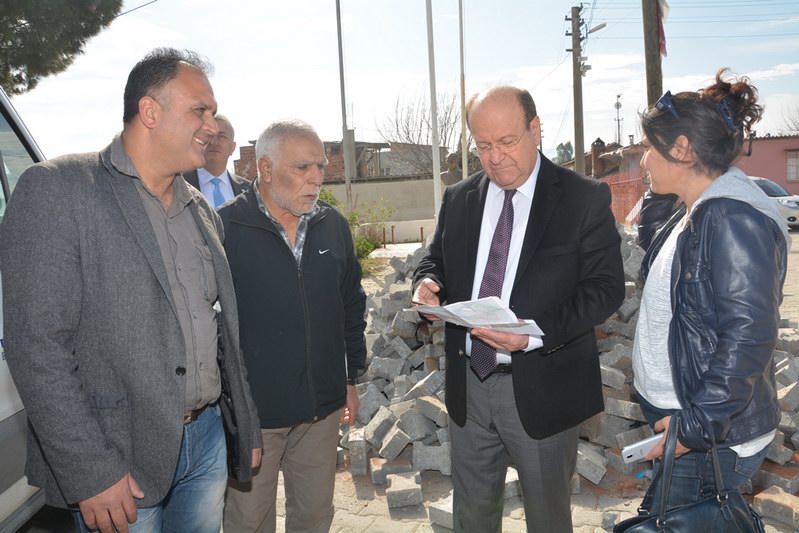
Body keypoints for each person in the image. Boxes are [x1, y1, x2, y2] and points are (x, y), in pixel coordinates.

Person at [0, 48, 262, 533]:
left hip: (206, 442)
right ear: (150, 111)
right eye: (200, 111)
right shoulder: (58, 190)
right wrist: (91, 471)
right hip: (119, 461)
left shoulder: (201, 211)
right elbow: (37, 346)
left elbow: (221, 328)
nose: (212, 126)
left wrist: (243, 424)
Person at [412, 85, 625, 532]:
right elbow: (437, 260)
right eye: (483, 145)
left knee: (547, 520)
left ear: (535, 129)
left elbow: (606, 289)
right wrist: (428, 282)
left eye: (507, 141)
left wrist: (532, 333)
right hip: (469, 386)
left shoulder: (582, 198)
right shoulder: (459, 198)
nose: (495, 158)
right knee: (473, 518)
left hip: (543, 388)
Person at [633, 69, 787, 512]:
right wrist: (662, 194)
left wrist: (696, 427)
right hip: (688, 418)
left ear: (681, 149)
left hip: (708, 435)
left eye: (649, 148)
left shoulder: (731, 217)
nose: (643, 161)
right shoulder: (697, 208)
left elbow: (749, 336)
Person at [219, 119, 366, 532]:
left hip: (321, 411)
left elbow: (352, 305)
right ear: (265, 168)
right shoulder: (223, 228)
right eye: (303, 167)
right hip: (255, 417)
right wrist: (232, 407)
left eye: (320, 167)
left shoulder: (333, 226)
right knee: (249, 522)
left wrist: (350, 378)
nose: (316, 178)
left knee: (314, 517)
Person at [183, 114, 249, 207]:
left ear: (232, 147)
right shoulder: (179, 185)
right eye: (209, 135)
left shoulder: (248, 190)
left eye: (222, 137)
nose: (214, 142)